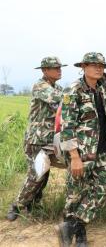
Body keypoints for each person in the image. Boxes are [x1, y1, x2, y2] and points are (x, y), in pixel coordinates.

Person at [55, 52, 106, 247]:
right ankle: (79, 236)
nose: (99, 68)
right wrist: (74, 157)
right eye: (93, 65)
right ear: (83, 67)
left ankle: (71, 226)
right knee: (76, 194)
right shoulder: (73, 91)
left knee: (104, 189)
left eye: (101, 66)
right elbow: (67, 126)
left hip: (101, 149)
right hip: (81, 152)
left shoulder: (102, 88)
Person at [6, 57, 66, 221]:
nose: (59, 70)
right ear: (45, 71)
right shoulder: (40, 86)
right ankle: (17, 206)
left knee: (43, 174)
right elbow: (59, 98)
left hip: (49, 139)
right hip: (36, 139)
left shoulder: (58, 87)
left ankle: (33, 206)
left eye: (60, 67)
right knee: (36, 174)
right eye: (55, 68)